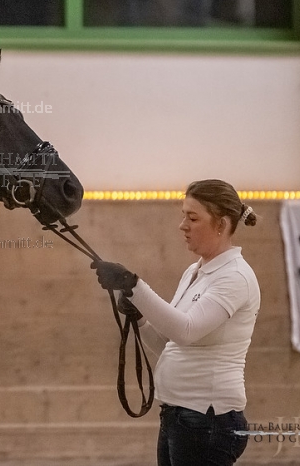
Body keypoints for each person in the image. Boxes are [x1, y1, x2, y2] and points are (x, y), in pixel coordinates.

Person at [95, 179, 260, 466]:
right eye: (183, 215)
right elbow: (172, 343)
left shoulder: (234, 277)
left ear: (221, 224)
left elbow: (186, 331)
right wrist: (142, 319)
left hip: (208, 419)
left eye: (193, 218)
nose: (182, 225)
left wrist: (134, 286)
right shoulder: (195, 272)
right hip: (182, 415)